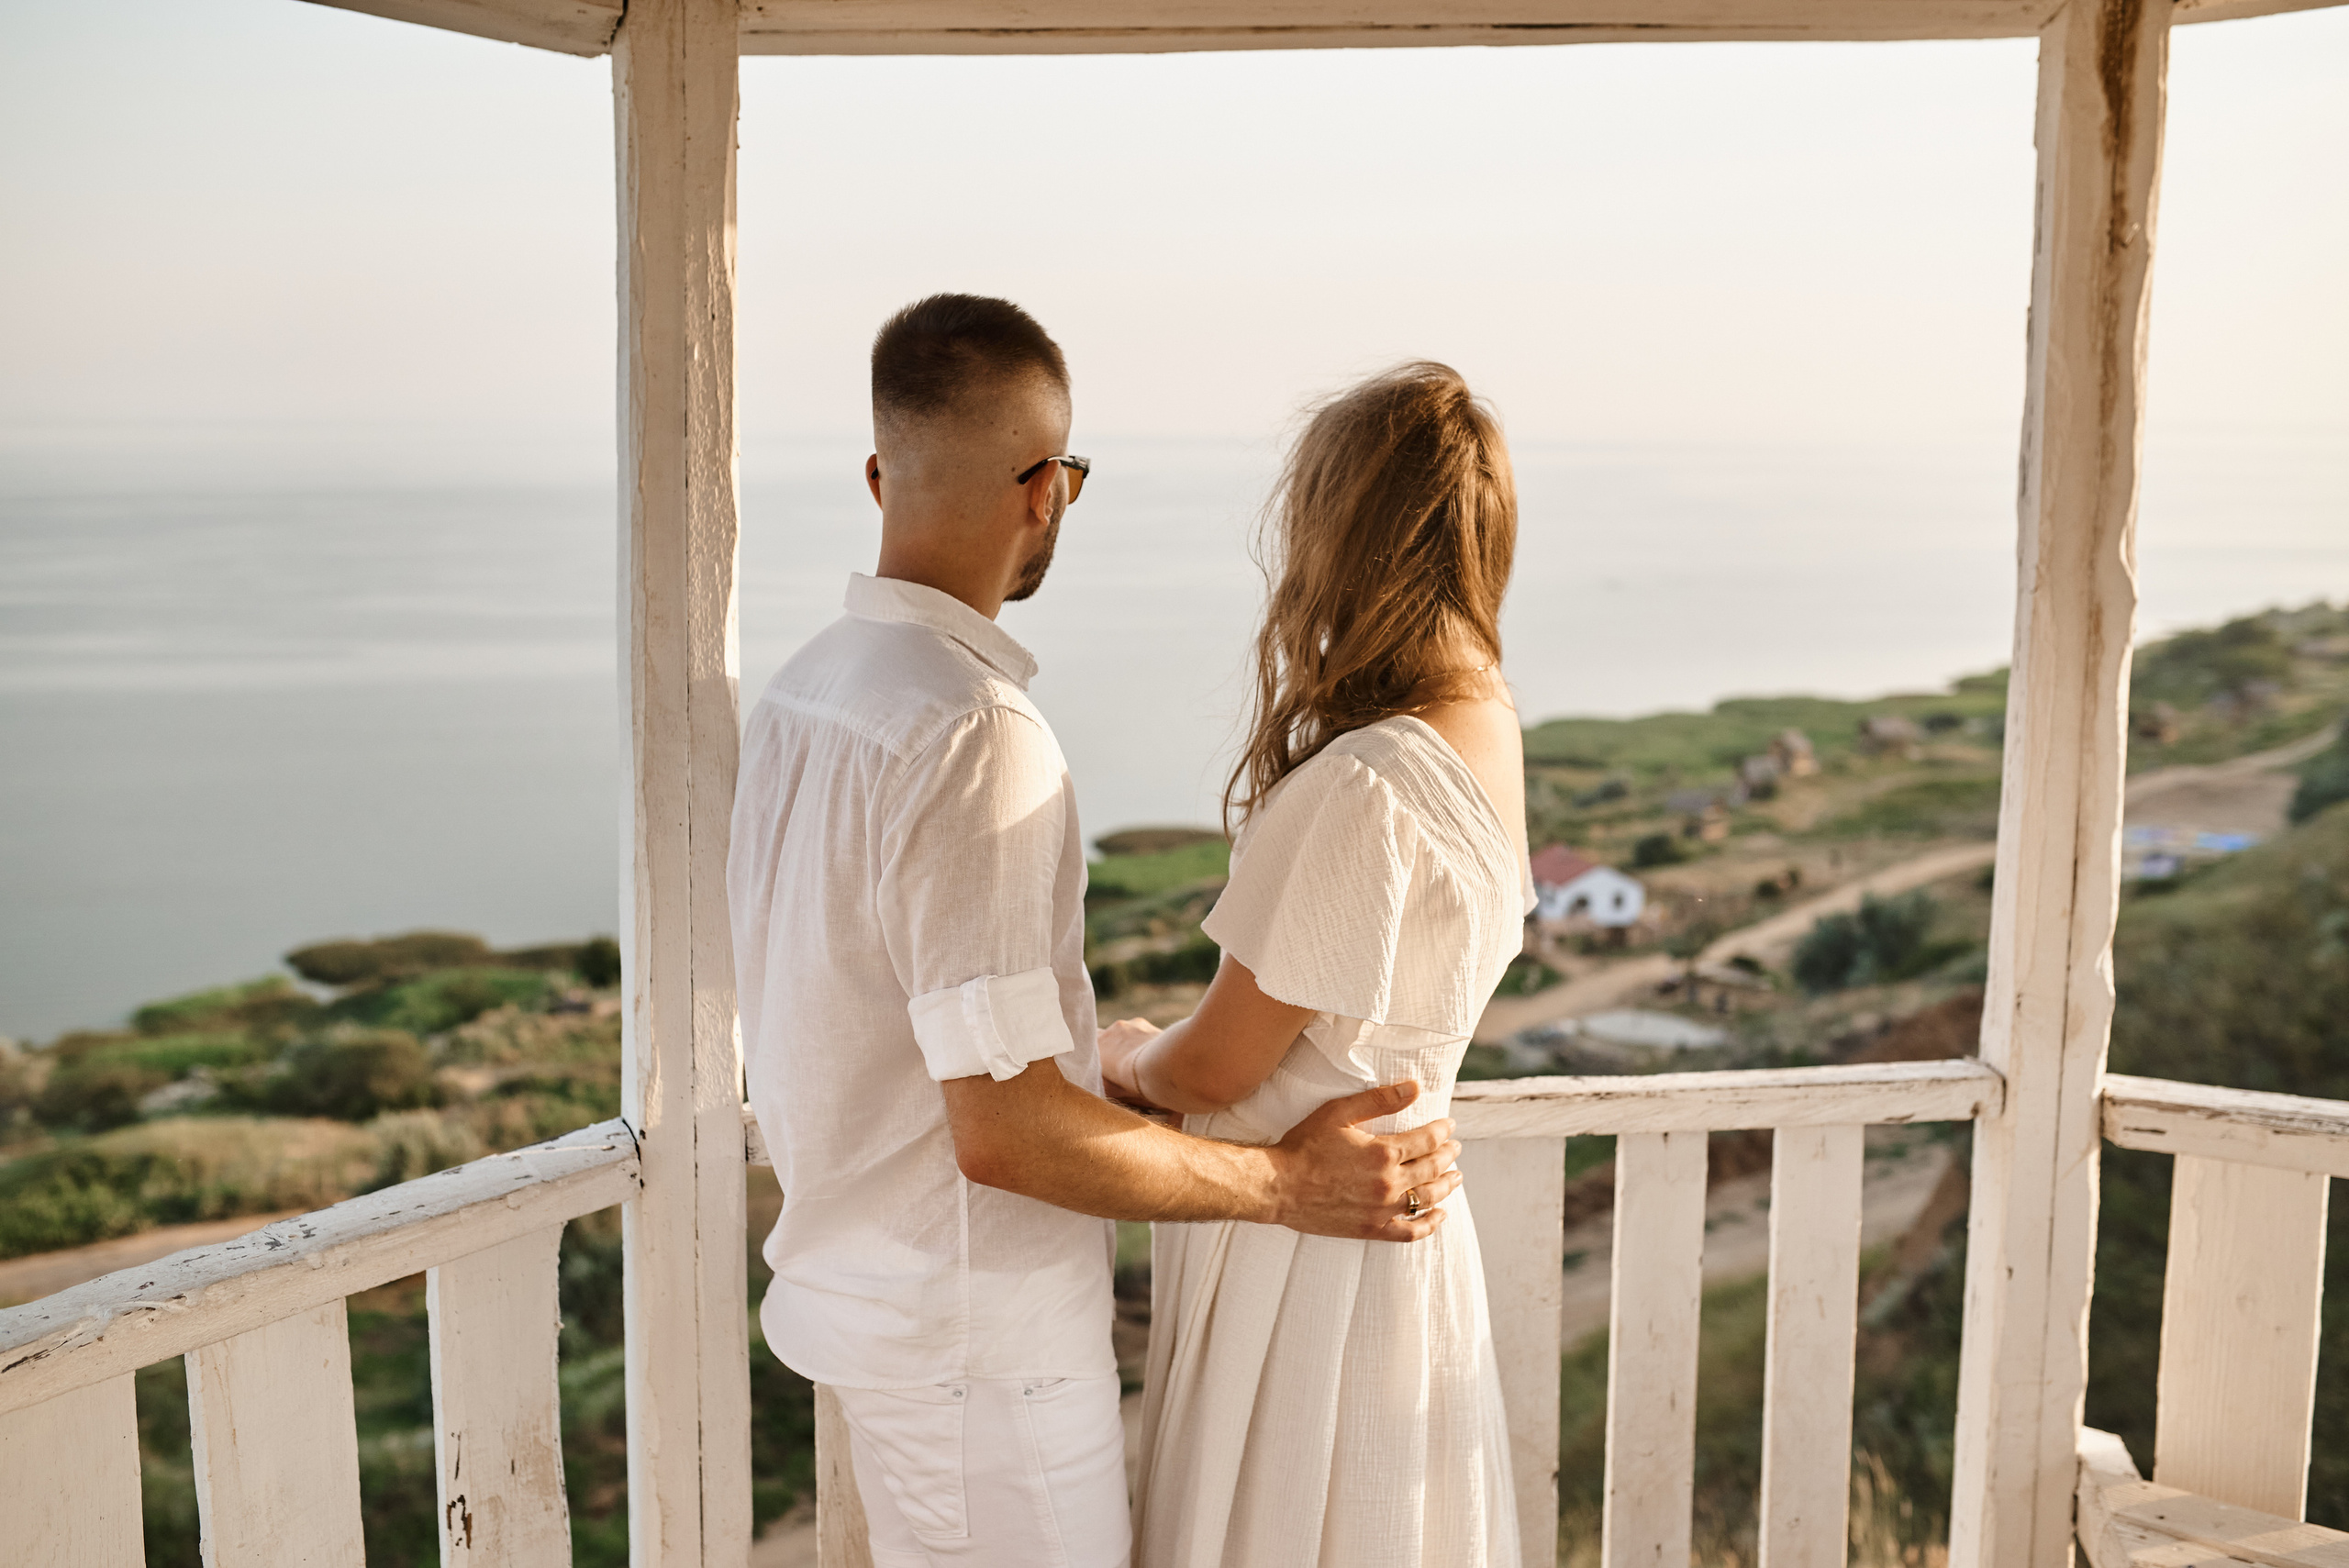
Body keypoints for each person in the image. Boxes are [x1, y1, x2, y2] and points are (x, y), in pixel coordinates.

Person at [726, 295, 1464, 1568]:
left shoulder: (807, 692)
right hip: (980, 1349)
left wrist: (1095, 1061)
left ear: (880, 476)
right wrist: (1288, 1186)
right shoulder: (974, 733)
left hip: (881, 1319)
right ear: (1046, 491)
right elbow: (1006, 1130)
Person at [1107, 362, 1531, 1568]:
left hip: (1308, 1264)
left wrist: (1129, 1056)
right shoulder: (1487, 730)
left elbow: (1223, 1062)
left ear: (1342, 537)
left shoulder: (1364, 784)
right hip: (1405, 1240)